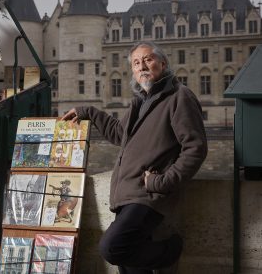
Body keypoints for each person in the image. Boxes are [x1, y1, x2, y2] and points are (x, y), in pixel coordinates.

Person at [62, 41, 208, 274]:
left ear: (163, 63)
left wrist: (161, 182)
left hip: (146, 195)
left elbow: (195, 148)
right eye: (136, 63)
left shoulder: (180, 97)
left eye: (148, 60)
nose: (142, 67)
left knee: (112, 247)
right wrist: (87, 111)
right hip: (126, 193)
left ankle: (171, 251)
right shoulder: (140, 101)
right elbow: (119, 134)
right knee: (130, 268)